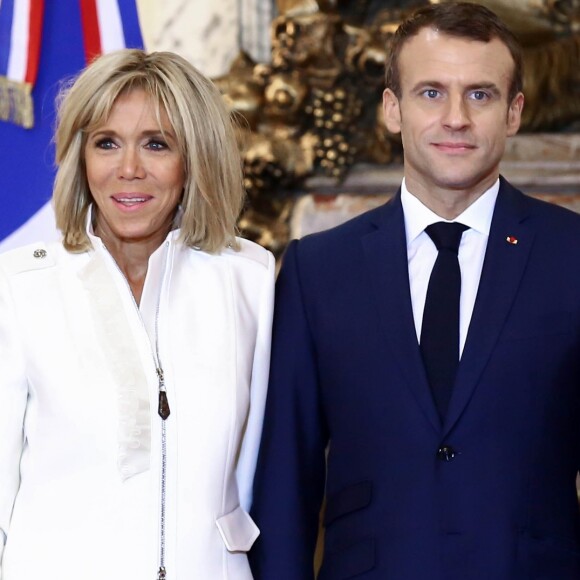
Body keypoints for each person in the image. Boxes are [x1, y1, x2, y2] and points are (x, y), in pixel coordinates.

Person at [248, 2, 580, 579]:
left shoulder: (571, 254)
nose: (456, 117)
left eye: (480, 94)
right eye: (431, 92)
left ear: (514, 113)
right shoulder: (317, 270)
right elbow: (284, 486)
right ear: (392, 109)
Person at [0, 49, 274, 580]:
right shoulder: (18, 285)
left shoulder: (251, 280)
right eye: (107, 143)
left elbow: (261, 474)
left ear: (195, 158)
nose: (129, 169)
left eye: (156, 144)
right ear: (81, 157)